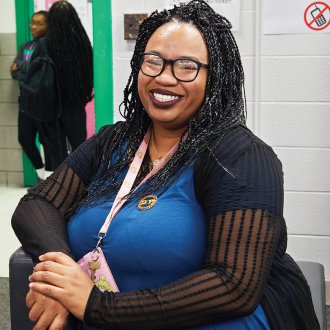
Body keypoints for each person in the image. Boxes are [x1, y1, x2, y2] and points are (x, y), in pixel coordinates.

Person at [12, 1, 319, 329]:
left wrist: (95, 305)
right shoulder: (115, 141)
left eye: (186, 66)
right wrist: (62, 279)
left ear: (215, 76)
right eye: (153, 61)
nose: (165, 78)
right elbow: (37, 204)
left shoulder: (240, 156)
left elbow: (234, 285)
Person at [44, 0, 93, 158]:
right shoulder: (82, 43)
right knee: (79, 146)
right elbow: (88, 73)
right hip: (75, 102)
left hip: (52, 104)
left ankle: (61, 181)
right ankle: (81, 181)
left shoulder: (45, 45)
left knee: (56, 152)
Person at [10, 11, 52, 181]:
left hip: (43, 102)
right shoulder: (25, 46)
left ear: (48, 25)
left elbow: (35, 72)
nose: (34, 26)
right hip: (26, 101)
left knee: (47, 141)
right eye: (32, 22)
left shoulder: (48, 45)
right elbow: (14, 73)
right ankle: (40, 173)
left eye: (39, 23)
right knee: (25, 138)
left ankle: (50, 179)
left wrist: (21, 68)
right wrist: (25, 70)